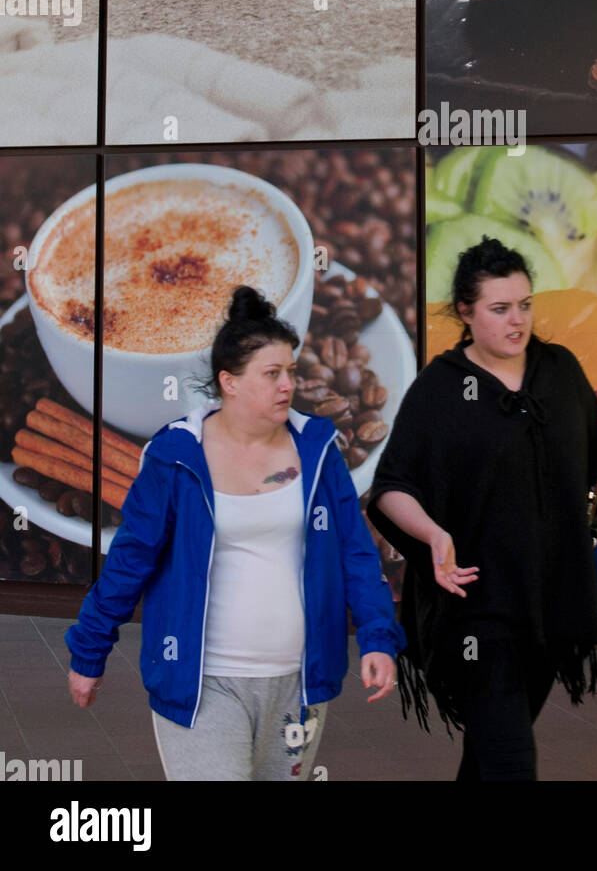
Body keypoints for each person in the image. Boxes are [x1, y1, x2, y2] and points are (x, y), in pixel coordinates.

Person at [367, 237, 597, 782]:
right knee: (512, 757)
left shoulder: (559, 371)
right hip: (473, 601)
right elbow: (392, 489)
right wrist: (434, 536)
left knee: (495, 751)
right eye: (499, 309)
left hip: (550, 601)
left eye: (524, 304)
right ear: (467, 313)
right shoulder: (439, 389)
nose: (516, 320)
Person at [66, 285, 403, 781]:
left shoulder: (318, 451)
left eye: (290, 370)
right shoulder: (174, 456)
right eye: (272, 374)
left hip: (298, 684)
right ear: (230, 382)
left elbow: (356, 554)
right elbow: (130, 560)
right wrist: (88, 652)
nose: (288, 384)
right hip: (201, 684)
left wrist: (377, 637)